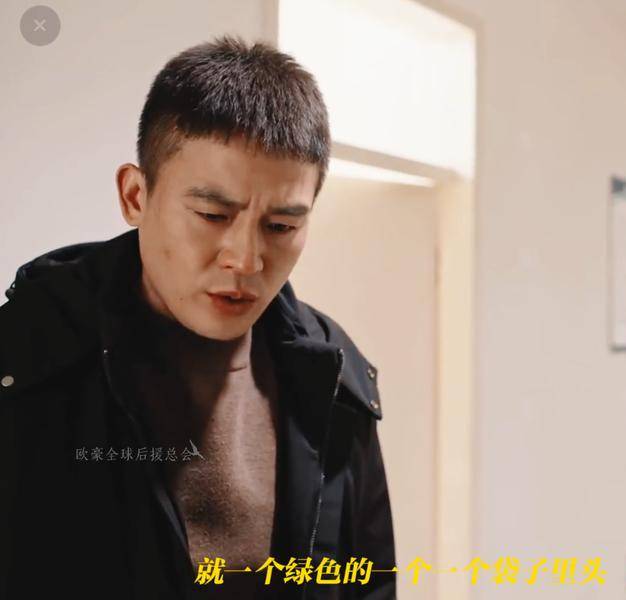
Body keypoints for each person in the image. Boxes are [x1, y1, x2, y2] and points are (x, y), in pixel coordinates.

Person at [0, 35, 396, 600]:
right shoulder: (21, 362)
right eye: (212, 214)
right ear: (136, 196)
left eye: (281, 226)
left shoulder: (337, 377)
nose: (246, 259)